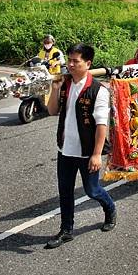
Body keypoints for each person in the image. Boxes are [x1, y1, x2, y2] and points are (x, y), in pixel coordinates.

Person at [45, 43, 116, 249]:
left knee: (92, 190)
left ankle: (110, 209)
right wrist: (55, 88)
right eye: (70, 60)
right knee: (65, 191)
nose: (71, 64)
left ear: (88, 63)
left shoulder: (98, 91)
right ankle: (66, 230)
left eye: (76, 61)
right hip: (65, 149)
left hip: (87, 152)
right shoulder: (65, 84)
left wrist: (96, 155)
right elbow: (51, 111)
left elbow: (102, 126)